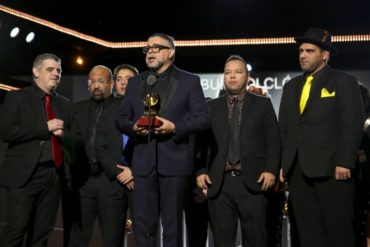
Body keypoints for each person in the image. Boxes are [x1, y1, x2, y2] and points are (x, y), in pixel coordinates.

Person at [116, 32, 211, 246]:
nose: (150, 51)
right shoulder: (135, 82)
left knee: (172, 229)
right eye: (147, 48)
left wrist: (175, 127)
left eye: (156, 47)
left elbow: (203, 120)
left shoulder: (189, 81)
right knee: (143, 228)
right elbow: (120, 119)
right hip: (142, 165)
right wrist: (133, 127)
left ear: (171, 52)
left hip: (175, 165)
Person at [279, 28, 364, 247]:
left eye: (309, 50)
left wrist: (344, 161)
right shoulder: (291, 87)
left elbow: (352, 123)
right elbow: (285, 129)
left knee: (339, 233)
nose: (303, 55)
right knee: (308, 235)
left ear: (325, 55)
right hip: (298, 173)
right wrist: (283, 164)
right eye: (300, 51)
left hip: (333, 171)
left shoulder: (344, 81)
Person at [196, 55, 281, 247]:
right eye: (228, 73)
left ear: (248, 76)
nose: (232, 76)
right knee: (222, 241)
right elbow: (201, 144)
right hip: (219, 183)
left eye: (238, 72)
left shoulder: (263, 104)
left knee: (256, 239)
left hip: (254, 181)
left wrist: (271, 169)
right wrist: (200, 171)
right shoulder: (210, 107)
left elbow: (274, 141)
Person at [0, 53, 71, 246]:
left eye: (59, 70)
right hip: (25, 175)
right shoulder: (17, 97)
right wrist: (45, 127)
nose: (56, 73)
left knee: (41, 234)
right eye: (50, 69)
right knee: (17, 229)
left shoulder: (64, 104)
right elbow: (6, 131)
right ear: (35, 71)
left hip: (54, 175)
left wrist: (66, 137)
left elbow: (72, 141)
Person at [68, 65, 133, 247]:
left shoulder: (123, 108)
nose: (96, 85)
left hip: (112, 182)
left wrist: (123, 170)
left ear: (110, 84)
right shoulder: (76, 109)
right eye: (92, 81)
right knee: (77, 239)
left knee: (113, 239)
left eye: (101, 81)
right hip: (83, 183)